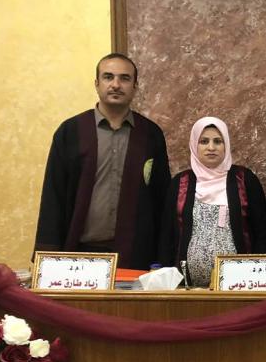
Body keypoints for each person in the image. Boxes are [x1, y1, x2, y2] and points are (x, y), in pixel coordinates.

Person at [34, 53, 171, 269]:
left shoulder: (150, 134)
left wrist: (164, 258)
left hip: (136, 256)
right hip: (80, 255)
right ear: (97, 84)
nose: (116, 84)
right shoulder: (71, 131)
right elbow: (54, 195)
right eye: (108, 77)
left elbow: (162, 199)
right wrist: (47, 257)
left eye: (124, 78)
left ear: (135, 86)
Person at [159, 117, 266, 287]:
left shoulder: (244, 179)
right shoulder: (180, 183)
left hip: (240, 285)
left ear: (226, 145)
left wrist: (259, 275)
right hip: (186, 287)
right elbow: (167, 236)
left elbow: (262, 232)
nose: (211, 147)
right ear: (194, 145)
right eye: (204, 141)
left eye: (218, 141)